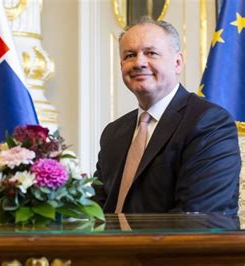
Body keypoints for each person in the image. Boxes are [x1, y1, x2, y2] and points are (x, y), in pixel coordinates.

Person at [93, 17, 240, 215]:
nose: (139, 63)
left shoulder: (209, 122)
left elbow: (198, 214)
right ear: (121, 66)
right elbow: (94, 208)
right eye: (130, 55)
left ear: (177, 63)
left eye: (151, 53)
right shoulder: (113, 133)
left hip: (179, 245)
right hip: (108, 245)